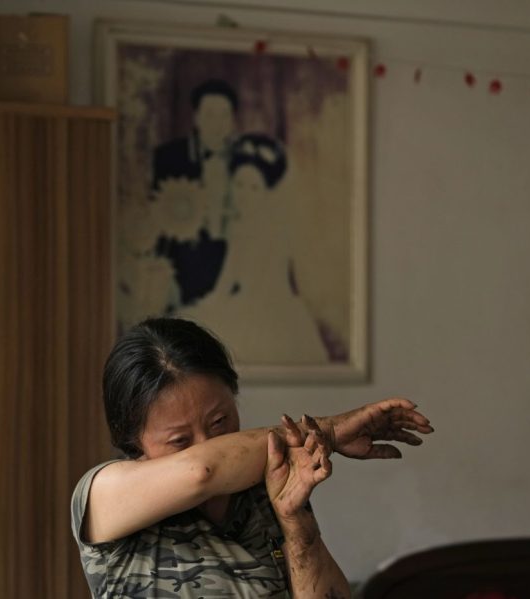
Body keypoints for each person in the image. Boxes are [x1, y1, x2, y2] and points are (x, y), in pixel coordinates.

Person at [71, 317, 434, 598]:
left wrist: (296, 525)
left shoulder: (267, 484)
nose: (207, 442)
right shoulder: (105, 493)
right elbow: (202, 470)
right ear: (132, 440)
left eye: (220, 421)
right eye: (180, 440)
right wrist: (329, 431)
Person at [180, 133, 328, 364]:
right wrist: (207, 305)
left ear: (266, 192)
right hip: (242, 305)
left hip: (273, 311)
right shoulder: (238, 228)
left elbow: (273, 282)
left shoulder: (276, 231)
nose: (244, 194)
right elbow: (226, 281)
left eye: (253, 187)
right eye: (239, 185)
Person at [150, 78, 240, 307]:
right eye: (210, 114)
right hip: (185, 260)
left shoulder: (243, 159)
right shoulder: (170, 157)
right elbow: (158, 214)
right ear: (196, 118)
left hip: (232, 259)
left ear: (232, 121)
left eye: (224, 115)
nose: (217, 124)